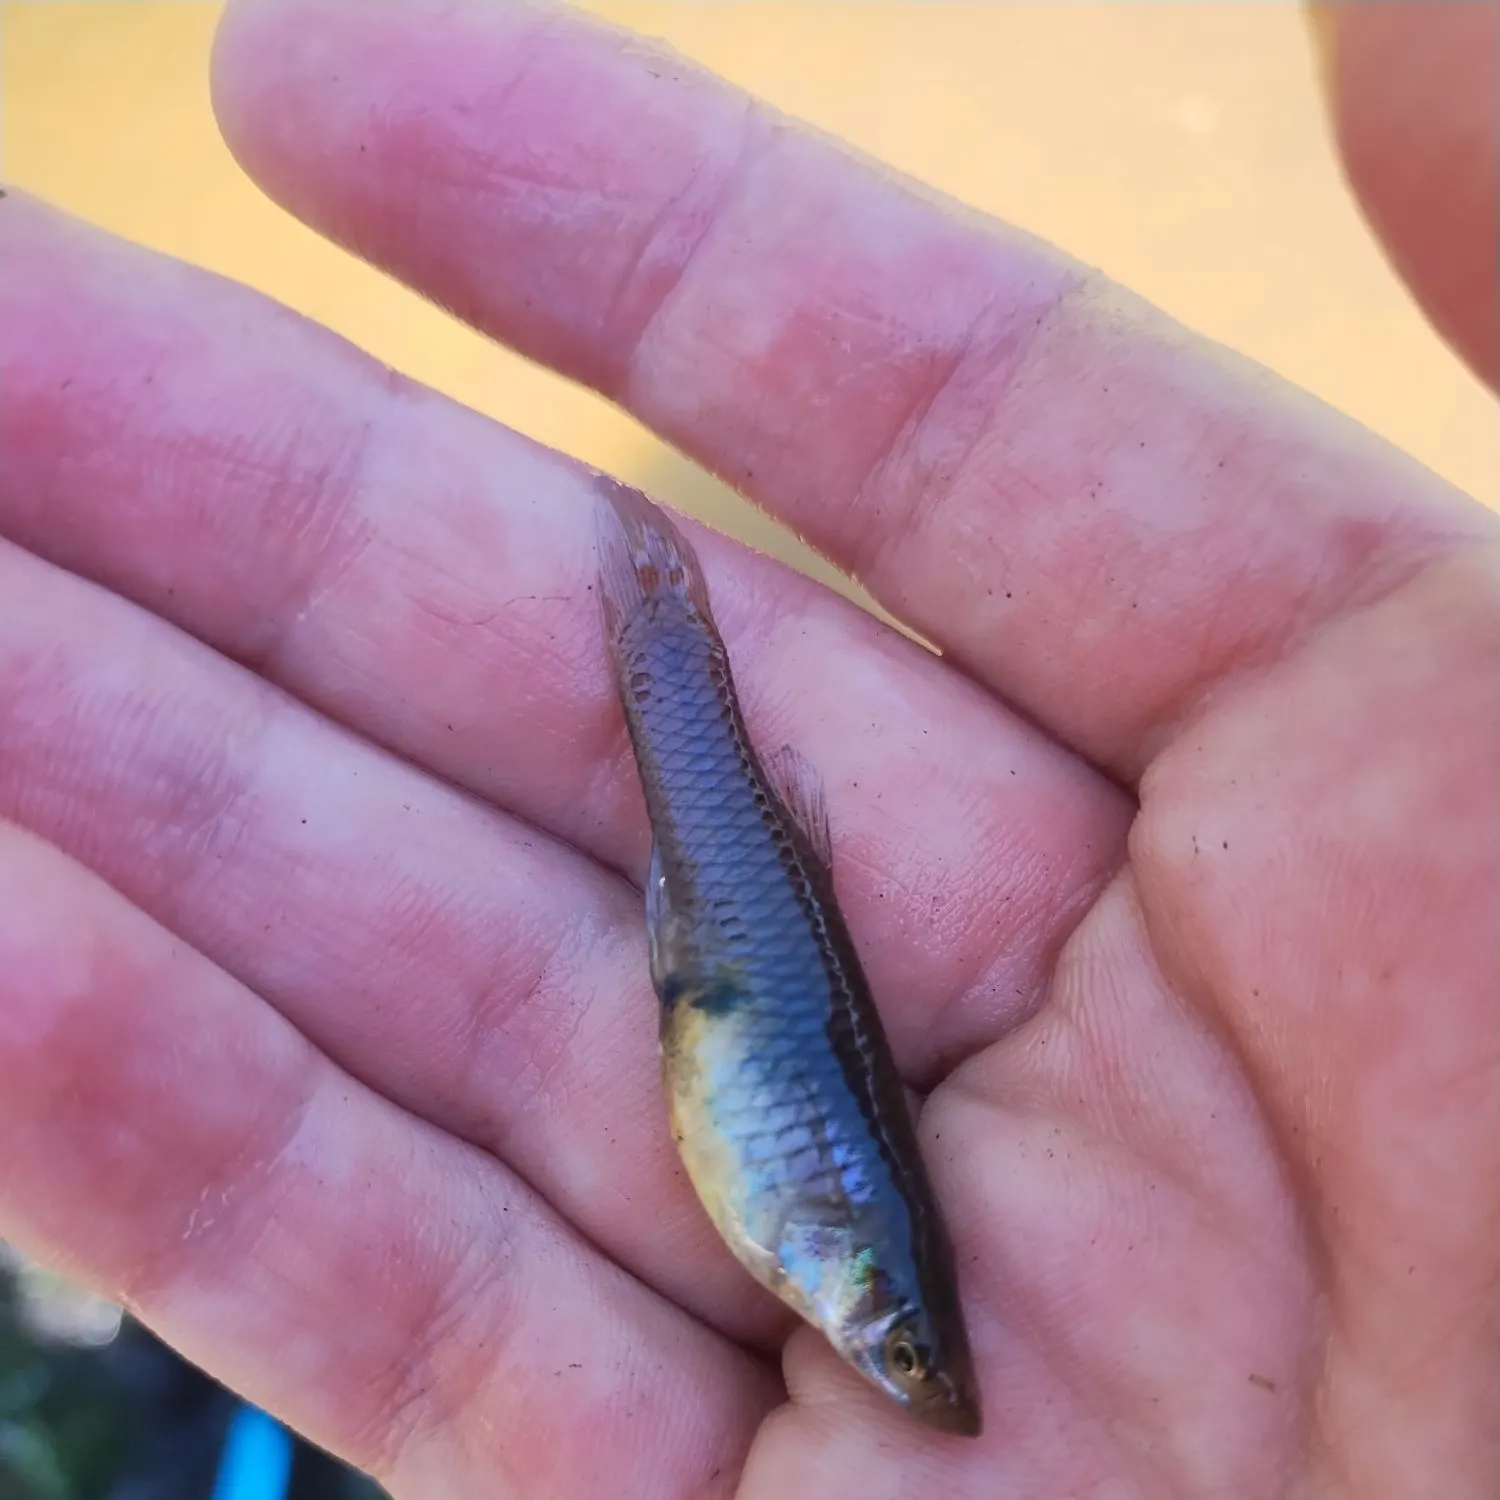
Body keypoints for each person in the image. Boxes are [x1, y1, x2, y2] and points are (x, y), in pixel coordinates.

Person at [0, 2, 1494, 1496]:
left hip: (724, 972)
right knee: (690, 752)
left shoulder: (819, 1258)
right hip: (733, 965)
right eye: (904, 1352)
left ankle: (655, 618)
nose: (905, 1373)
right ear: (877, 1304)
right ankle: (658, 623)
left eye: (908, 1359)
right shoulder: (827, 1247)